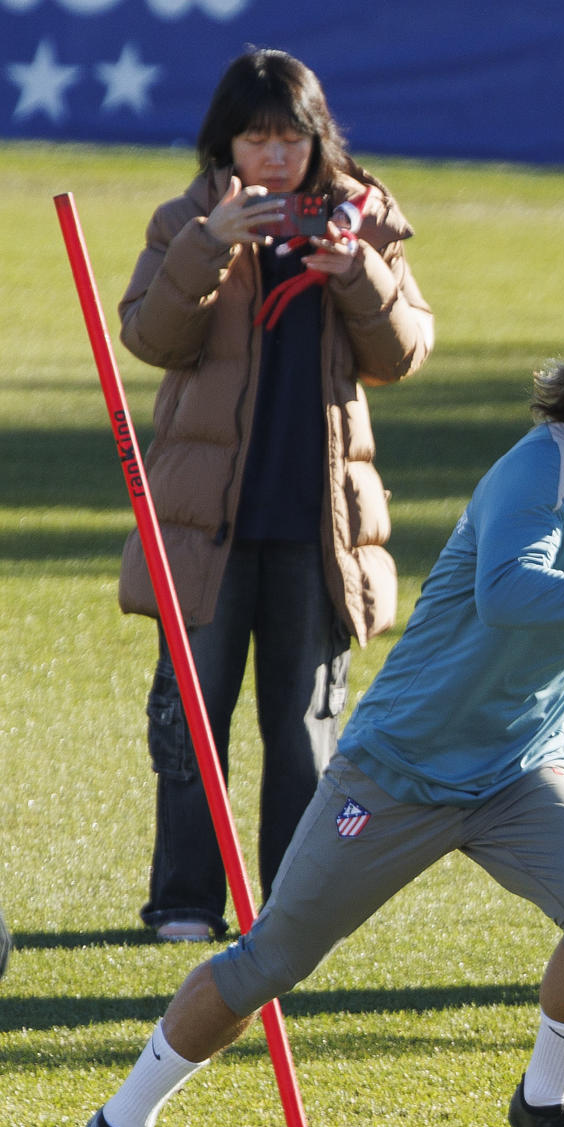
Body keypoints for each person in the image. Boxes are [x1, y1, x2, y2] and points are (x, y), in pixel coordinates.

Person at [61, 318, 564, 1127]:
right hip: (395, 773)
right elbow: (507, 595)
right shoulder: (534, 472)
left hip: (519, 772)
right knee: (269, 960)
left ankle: (544, 1106)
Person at [120, 49, 433, 943]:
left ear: (315, 139)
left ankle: (290, 913)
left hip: (318, 523)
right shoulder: (188, 218)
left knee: (306, 727)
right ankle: (184, 903)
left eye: (290, 137)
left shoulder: (364, 217)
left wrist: (358, 274)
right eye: (256, 137)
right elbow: (148, 335)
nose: (273, 156)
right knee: (190, 719)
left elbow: (403, 355)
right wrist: (209, 244)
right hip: (204, 520)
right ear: (226, 142)